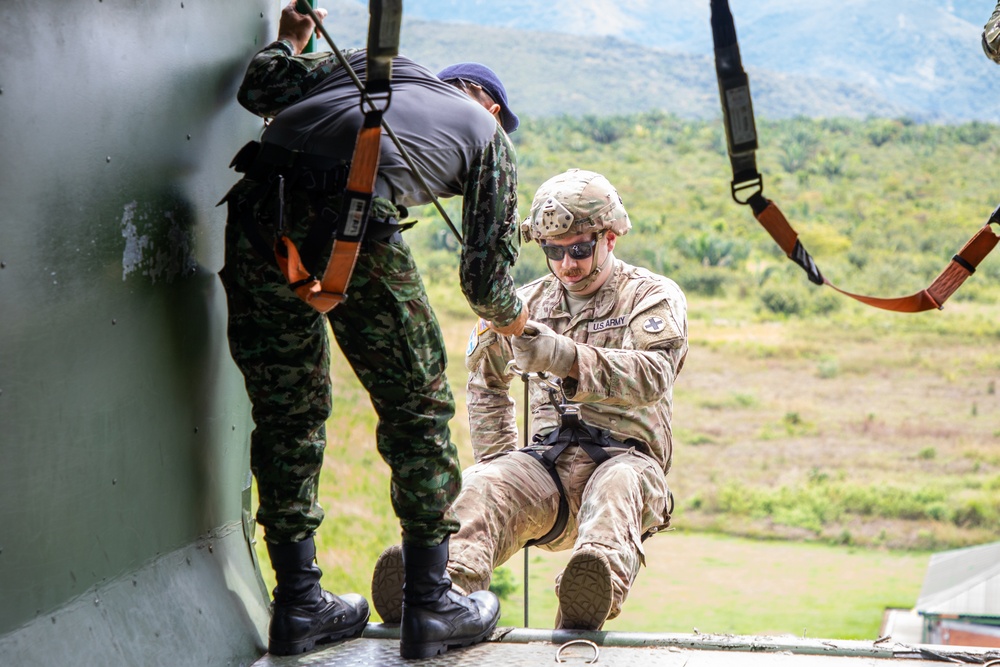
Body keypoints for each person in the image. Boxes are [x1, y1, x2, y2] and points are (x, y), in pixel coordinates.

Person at [218, 1, 528, 659]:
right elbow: (485, 285)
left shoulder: (367, 69)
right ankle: (431, 602)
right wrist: (515, 318)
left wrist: (291, 40)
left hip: (258, 214)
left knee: (286, 411)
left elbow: (260, 88)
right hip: (353, 221)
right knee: (418, 409)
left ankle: (298, 604)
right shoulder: (488, 137)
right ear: (495, 109)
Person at [371, 168, 688, 631]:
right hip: (547, 469)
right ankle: (437, 592)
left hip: (628, 460)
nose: (567, 265)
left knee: (615, 490)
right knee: (481, 485)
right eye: (554, 252)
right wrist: (501, 461)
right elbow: (484, 380)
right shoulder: (523, 306)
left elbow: (655, 374)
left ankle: (583, 605)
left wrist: (565, 357)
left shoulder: (650, 296)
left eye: (580, 249)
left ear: (611, 238)